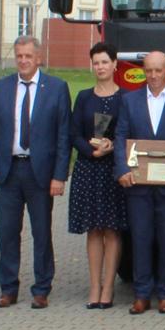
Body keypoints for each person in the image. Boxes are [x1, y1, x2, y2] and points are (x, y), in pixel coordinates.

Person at [0, 35, 70, 309]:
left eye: (28, 56)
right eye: (19, 56)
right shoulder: (2, 88)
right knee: (8, 233)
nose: (23, 61)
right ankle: (8, 288)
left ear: (39, 58)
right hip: (8, 171)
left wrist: (59, 175)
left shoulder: (56, 88)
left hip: (40, 174)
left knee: (41, 233)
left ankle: (41, 288)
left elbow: (63, 136)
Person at [115, 51, 165, 314]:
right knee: (140, 238)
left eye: (158, 70)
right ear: (143, 72)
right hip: (138, 184)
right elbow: (121, 135)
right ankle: (142, 293)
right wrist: (122, 169)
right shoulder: (130, 100)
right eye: (149, 70)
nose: (154, 75)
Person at [67, 43, 129, 309]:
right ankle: (94, 286)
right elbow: (73, 133)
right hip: (88, 168)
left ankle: (108, 287)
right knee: (93, 230)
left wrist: (112, 146)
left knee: (112, 230)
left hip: (113, 169)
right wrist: (90, 152)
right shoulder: (83, 97)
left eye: (105, 62)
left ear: (115, 64)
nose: (101, 67)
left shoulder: (125, 98)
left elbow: (128, 130)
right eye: (96, 63)